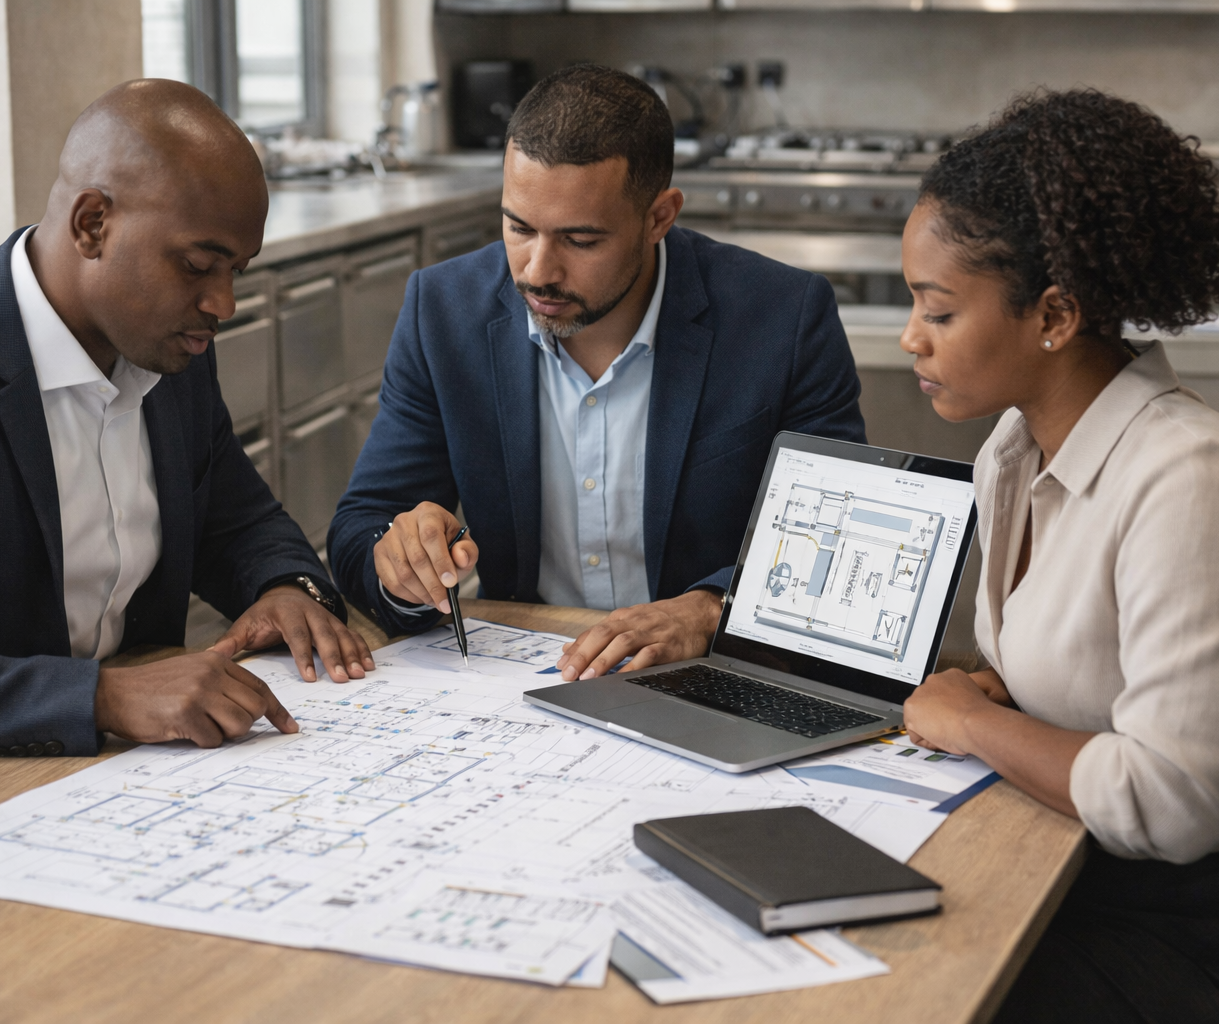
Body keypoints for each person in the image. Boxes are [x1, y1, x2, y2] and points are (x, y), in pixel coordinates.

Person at [0, 80, 375, 828]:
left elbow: (237, 520)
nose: (223, 305)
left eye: (235, 270)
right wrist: (101, 696)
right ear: (91, 224)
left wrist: (286, 588)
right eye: (198, 265)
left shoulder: (168, 350)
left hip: (88, 791)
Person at [896, 89, 1219, 1022]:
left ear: (1056, 316)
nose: (912, 336)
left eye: (938, 312)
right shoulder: (1014, 449)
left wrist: (969, 720)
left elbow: (1176, 802)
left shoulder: (1190, 477)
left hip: (1213, 926)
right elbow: (1081, 666)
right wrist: (999, 685)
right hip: (1078, 863)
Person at [329, 64, 865, 679]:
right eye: (518, 227)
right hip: (523, 676)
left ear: (660, 217)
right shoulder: (443, 310)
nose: (537, 270)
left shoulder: (782, 317)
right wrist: (398, 563)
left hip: (709, 673)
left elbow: (842, 534)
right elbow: (360, 526)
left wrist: (712, 608)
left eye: (580, 240)